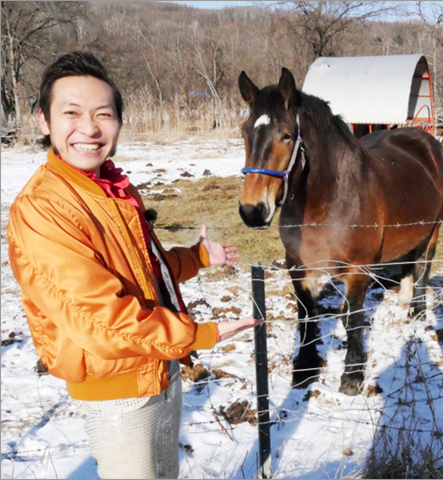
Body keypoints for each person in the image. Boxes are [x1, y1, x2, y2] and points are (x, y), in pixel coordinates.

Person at [7, 51, 262, 479]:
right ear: (44, 122)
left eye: (103, 114)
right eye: (71, 113)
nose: (89, 128)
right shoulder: (43, 209)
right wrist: (199, 334)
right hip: (117, 392)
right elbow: (99, 319)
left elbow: (142, 272)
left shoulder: (110, 188)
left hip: (158, 368)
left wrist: (196, 257)